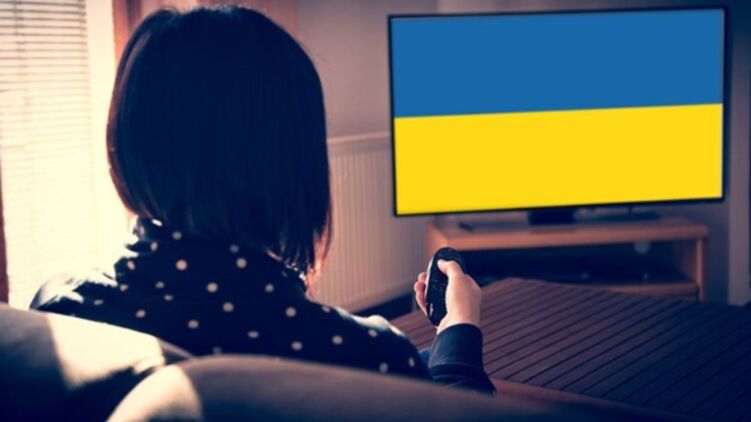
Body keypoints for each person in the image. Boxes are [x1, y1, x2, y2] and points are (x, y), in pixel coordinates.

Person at [31, 6, 494, 394]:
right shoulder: (365, 356)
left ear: (129, 143)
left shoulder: (59, 311)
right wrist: (460, 325)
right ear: (293, 162)